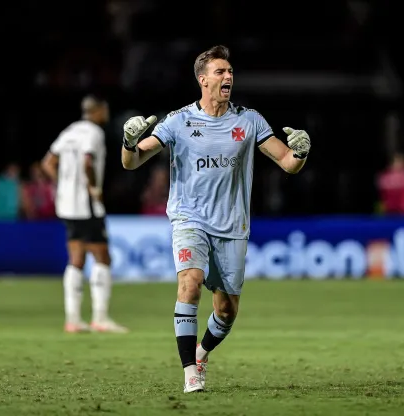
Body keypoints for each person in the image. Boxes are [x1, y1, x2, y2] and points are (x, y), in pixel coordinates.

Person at [120, 45, 311, 393]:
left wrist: (301, 151)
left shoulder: (248, 120)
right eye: (220, 72)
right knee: (189, 283)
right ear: (202, 79)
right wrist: (128, 142)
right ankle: (189, 371)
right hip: (189, 219)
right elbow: (131, 162)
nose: (228, 77)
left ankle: (202, 351)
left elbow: (287, 162)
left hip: (233, 226)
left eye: (230, 71)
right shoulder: (178, 121)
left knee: (226, 311)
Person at [42, 94, 128, 334]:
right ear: (98, 111)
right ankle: (100, 318)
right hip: (86, 203)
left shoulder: (69, 131)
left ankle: (73, 319)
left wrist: (63, 183)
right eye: (105, 109)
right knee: (103, 257)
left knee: (76, 258)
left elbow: (48, 162)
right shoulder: (93, 133)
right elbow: (88, 162)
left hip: (66, 203)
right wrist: (92, 187)